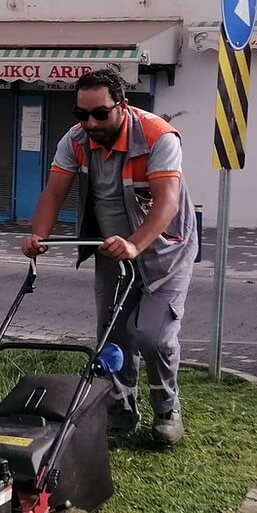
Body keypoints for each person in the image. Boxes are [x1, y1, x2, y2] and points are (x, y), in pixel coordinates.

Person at [21, 70, 196, 445]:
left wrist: (136, 244)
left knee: (153, 335)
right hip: (110, 250)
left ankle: (166, 408)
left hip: (164, 248)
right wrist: (39, 234)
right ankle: (120, 407)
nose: (90, 123)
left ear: (122, 105)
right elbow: (54, 193)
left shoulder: (157, 136)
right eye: (81, 115)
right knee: (112, 333)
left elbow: (167, 201)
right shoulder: (77, 140)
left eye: (100, 114)